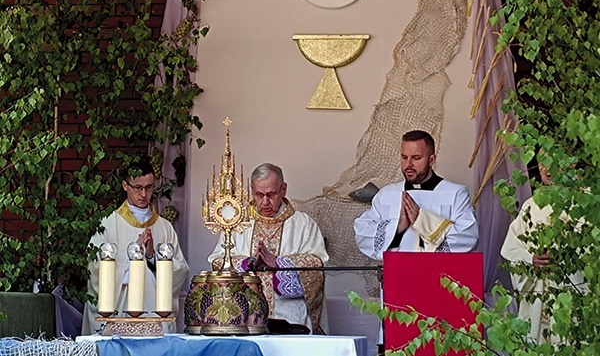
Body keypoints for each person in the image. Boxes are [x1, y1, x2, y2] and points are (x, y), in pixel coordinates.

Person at [208, 163, 329, 334]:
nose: (265, 202)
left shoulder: (303, 225)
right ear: (251, 190)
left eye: (271, 194)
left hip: (290, 319)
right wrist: (246, 264)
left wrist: (280, 264)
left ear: (283, 189)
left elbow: (317, 266)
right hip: (244, 318)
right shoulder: (237, 223)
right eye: (259, 194)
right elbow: (217, 261)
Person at [82, 159, 190, 335]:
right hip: (119, 312)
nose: (144, 194)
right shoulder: (108, 223)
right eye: (138, 187)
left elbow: (181, 269)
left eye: (149, 187)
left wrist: (152, 258)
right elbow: (93, 266)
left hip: (154, 315)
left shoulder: (164, 227)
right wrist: (132, 255)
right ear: (125, 185)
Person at [354, 130, 479, 258]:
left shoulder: (455, 194)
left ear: (431, 160)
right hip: (397, 272)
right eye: (404, 157)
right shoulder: (387, 194)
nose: (408, 164)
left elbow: (467, 237)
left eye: (416, 158)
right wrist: (397, 227)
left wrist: (422, 220)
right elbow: (363, 234)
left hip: (439, 274)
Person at [500, 158, 585, 344]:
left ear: (571, 163)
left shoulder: (585, 203)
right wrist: (531, 259)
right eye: (541, 164)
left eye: (553, 162)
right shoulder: (532, 205)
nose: (546, 170)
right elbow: (511, 248)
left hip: (575, 292)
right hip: (540, 294)